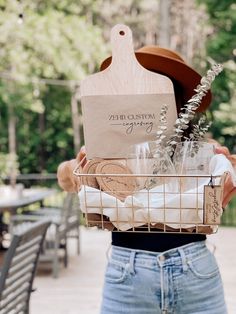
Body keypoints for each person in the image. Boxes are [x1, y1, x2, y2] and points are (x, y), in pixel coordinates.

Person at [57, 46, 236, 314]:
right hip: (127, 272)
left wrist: (228, 169)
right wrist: (78, 169)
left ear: (179, 102)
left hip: (194, 270)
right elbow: (64, 177)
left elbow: (223, 182)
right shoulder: (106, 149)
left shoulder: (199, 149)